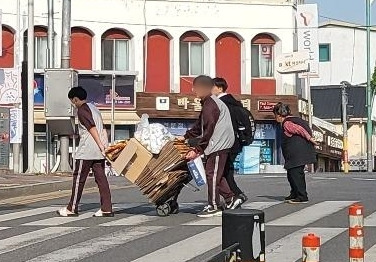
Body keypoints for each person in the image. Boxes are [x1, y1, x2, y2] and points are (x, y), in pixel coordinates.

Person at [182, 75, 236, 218]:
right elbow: (200, 126)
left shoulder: (210, 104)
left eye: (196, 87)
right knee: (216, 174)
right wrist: (185, 136)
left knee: (212, 174)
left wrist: (197, 150)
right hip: (217, 143)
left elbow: (208, 129)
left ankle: (214, 206)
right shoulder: (208, 103)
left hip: (219, 143)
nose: (193, 90)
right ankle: (231, 198)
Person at [57, 86, 113, 217]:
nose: (72, 104)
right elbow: (103, 128)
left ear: (75, 99)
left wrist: (99, 144)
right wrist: (104, 146)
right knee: (101, 179)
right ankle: (107, 208)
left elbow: (91, 128)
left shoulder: (82, 110)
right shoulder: (94, 108)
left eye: (72, 101)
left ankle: (72, 208)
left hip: (87, 150)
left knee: (78, 179)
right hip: (99, 152)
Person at [212, 77, 248, 207]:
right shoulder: (232, 102)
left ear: (220, 88)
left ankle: (235, 196)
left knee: (221, 172)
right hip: (234, 142)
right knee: (226, 171)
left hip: (225, 143)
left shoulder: (221, 104)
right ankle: (235, 195)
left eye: (212, 87)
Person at [273, 102, 317, 204]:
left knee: (296, 174)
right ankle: (294, 193)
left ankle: (302, 196)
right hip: (298, 153)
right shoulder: (297, 120)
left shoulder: (287, 123)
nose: (276, 118)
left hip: (297, 154)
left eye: (275, 116)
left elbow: (300, 130)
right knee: (291, 174)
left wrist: (310, 139)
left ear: (279, 115)